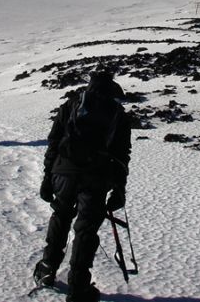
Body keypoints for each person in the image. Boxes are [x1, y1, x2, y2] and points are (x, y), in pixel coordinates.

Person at [34, 71, 132, 302]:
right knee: (86, 230)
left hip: (63, 172)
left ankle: (47, 269)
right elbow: (121, 156)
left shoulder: (71, 105)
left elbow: (54, 143)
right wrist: (119, 189)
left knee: (61, 216)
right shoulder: (117, 113)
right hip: (95, 177)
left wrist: (47, 178)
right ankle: (78, 287)